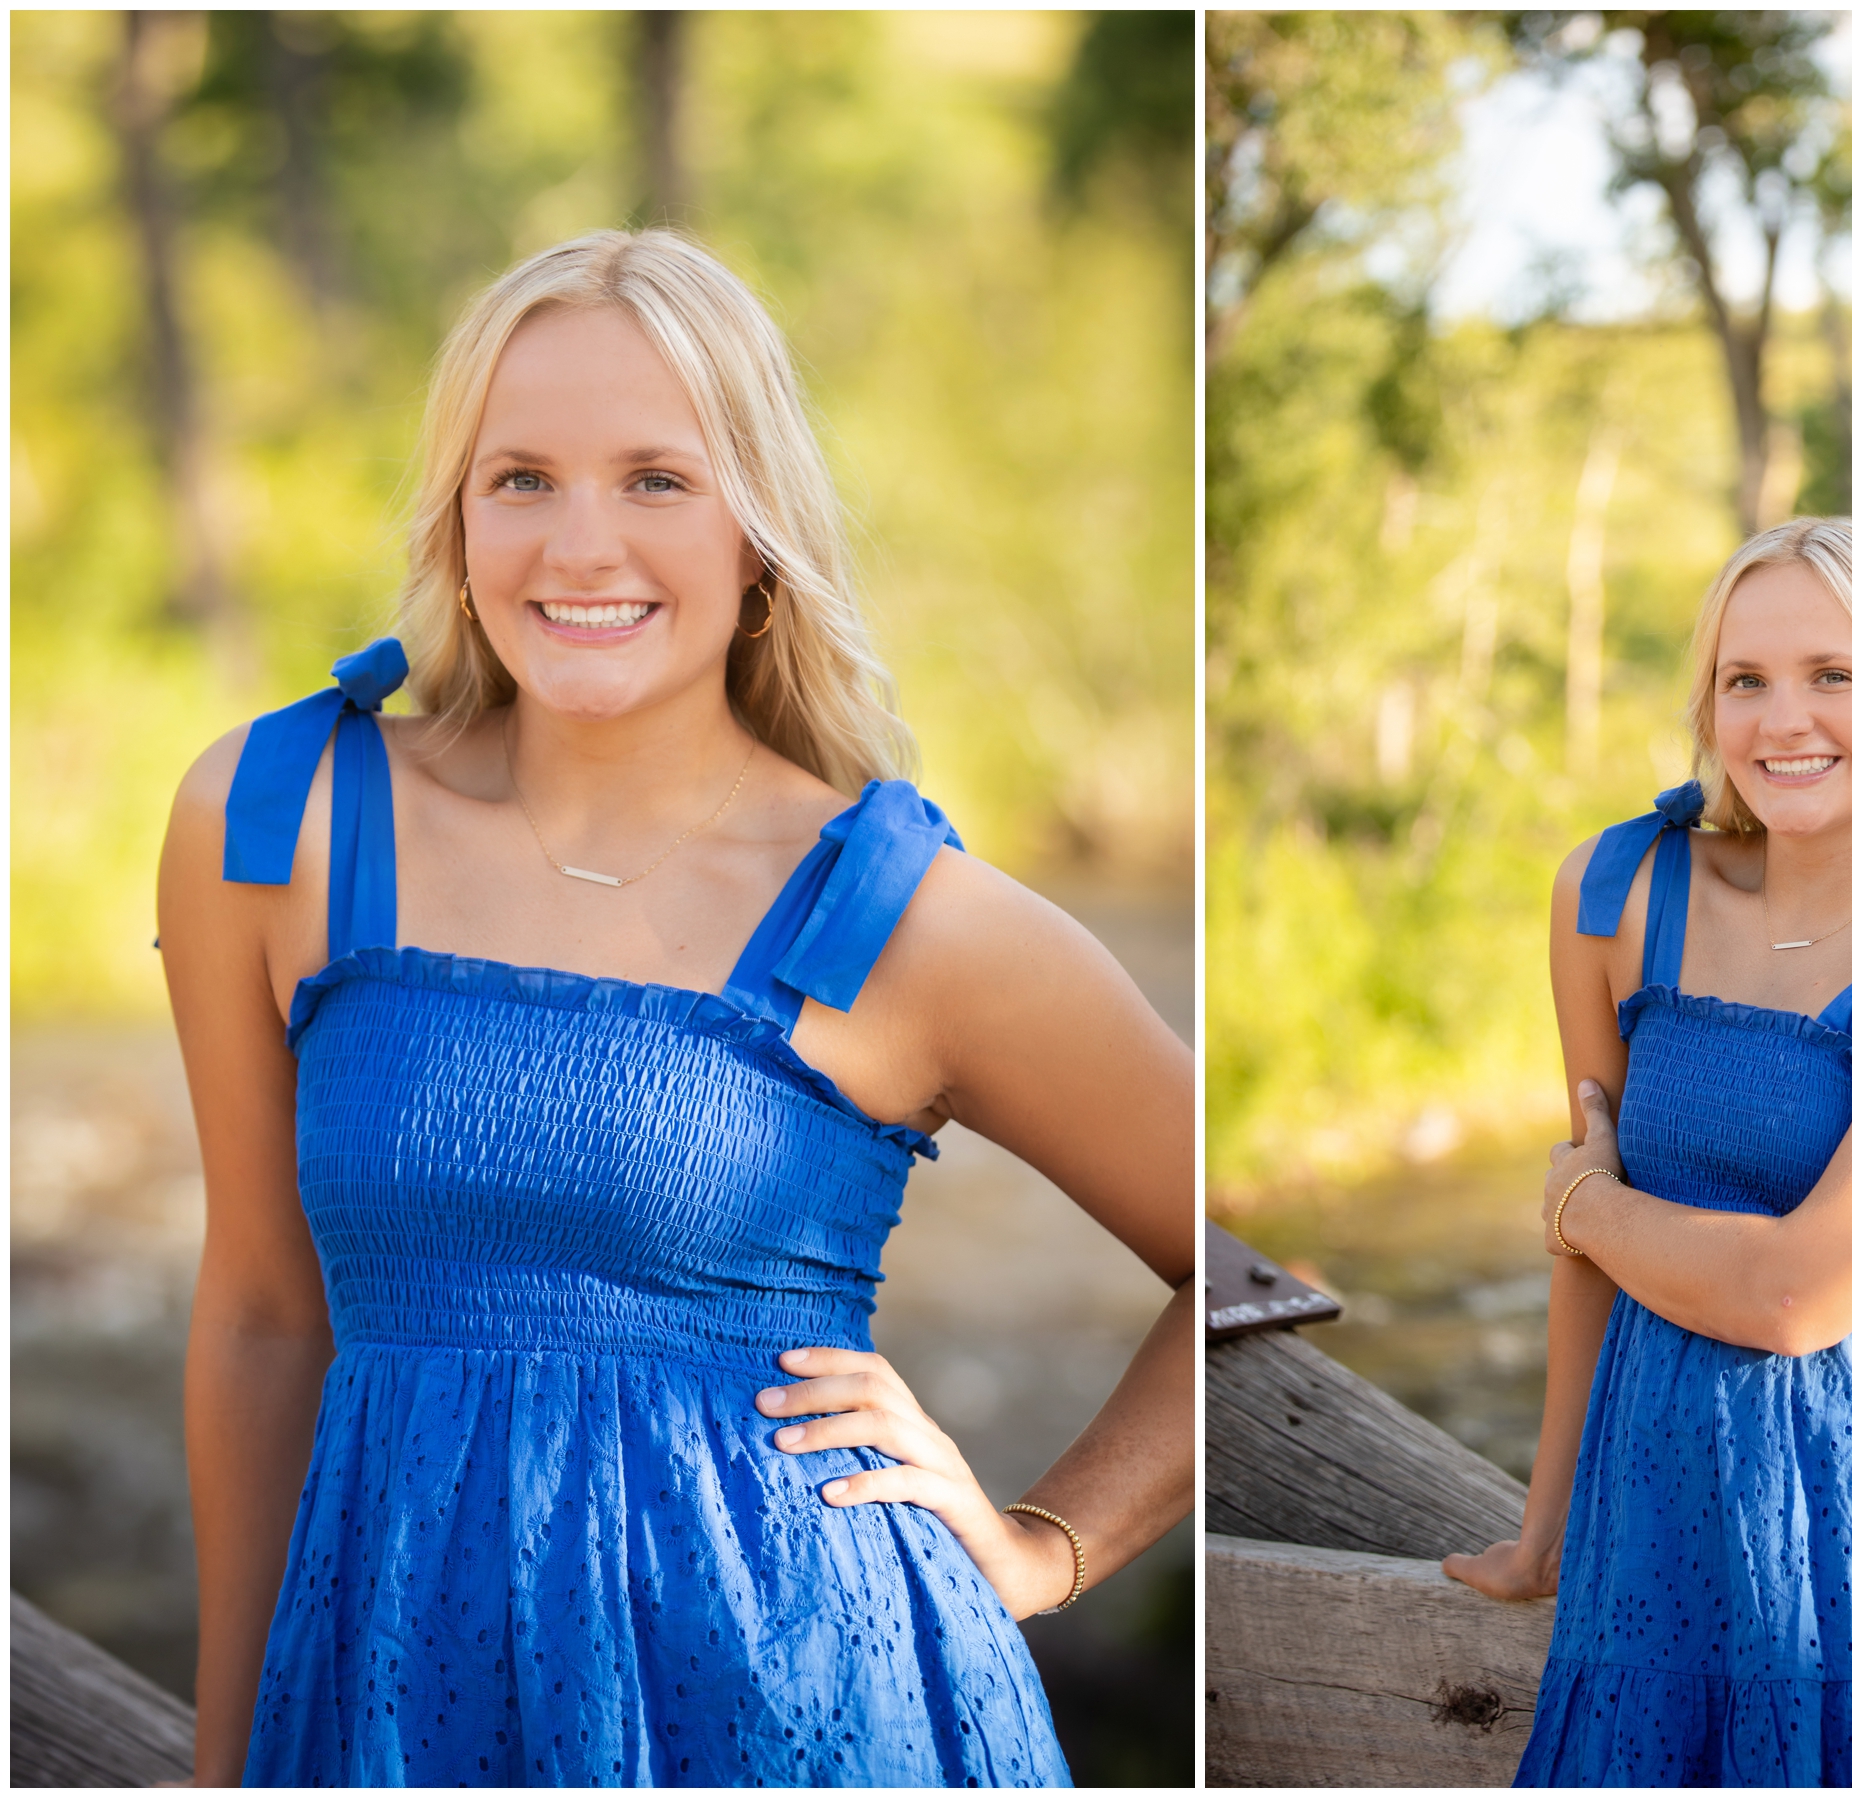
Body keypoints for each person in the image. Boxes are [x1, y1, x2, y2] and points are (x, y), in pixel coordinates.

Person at [157, 229, 1193, 1788]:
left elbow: (1235, 1263)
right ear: (455, 513)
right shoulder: (276, 816)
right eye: (522, 478)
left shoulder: (908, 915)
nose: (582, 547)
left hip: (802, 1708)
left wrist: (1047, 1541)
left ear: (759, 529)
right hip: (386, 1701)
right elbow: (257, 1315)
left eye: (657, 478)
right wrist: (231, 1757)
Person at [1443, 517, 1852, 1786]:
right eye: (1745, 679)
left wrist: (1584, 1207)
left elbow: (1796, 1291)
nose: (1781, 719)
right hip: (1660, 1504)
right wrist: (1546, 1530)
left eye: (1833, 675)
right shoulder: (1618, 889)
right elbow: (1589, 1229)